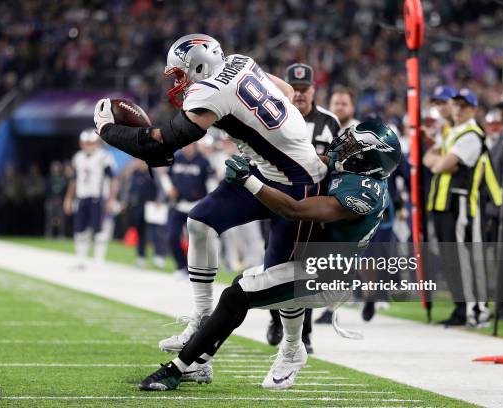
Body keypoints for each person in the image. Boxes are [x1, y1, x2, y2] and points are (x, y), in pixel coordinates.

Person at [94, 34, 328, 382]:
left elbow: (164, 144)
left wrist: (109, 131)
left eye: (180, 74)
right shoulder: (241, 60)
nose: (178, 82)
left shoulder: (210, 90)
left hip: (299, 183)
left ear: (200, 65)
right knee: (200, 221)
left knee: (279, 276)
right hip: (265, 170)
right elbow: (287, 92)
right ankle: (201, 321)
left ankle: (293, 348)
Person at [137, 118, 401, 391]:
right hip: (313, 262)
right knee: (250, 286)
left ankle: (177, 368)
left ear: (368, 158)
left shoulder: (364, 192)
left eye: (351, 146)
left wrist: (248, 181)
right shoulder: (354, 173)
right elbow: (304, 158)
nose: (341, 146)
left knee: (237, 295)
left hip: (327, 276)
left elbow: (295, 210)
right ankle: (211, 360)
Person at [266, 63, 340, 352]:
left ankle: (304, 333)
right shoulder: (272, 114)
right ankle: (275, 318)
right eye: (293, 89)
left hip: (313, 205)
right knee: (274, 264)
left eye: (303, 89)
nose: (298, 94)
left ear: (313, 90)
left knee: (307, 270)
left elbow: (338, 160)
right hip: (279, 200)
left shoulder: (329, 121)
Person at [423, 88, 502, 327]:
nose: (458, 109)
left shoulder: (471, 133)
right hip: (443, 201)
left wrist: (440, 163)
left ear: (473, 109)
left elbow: (440, 164)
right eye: (456, 104)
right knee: (451, 259)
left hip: (460, 201)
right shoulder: (454, 132)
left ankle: (474, 310)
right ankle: (461, 310)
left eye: (464, 105)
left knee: (463, 258)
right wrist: (440, 163)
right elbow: (430, 160)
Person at [315, 86, 359, 324]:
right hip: (326, 195)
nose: (339, 108)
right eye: (335, 103)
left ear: (352, 108)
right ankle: (332, 303)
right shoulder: (324, 127)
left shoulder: (360, 132)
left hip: (349, 197)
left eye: (343, 104)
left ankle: (341, 302)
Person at [63, 128, 118, 268]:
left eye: (90, 143)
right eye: (85, 143)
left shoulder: (104, 157)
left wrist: (111, 199)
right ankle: (80, 258)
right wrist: (68, 198)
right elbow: (74, 180)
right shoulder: (78, 157)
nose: (88, 146)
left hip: (98, 197)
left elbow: (113, 179)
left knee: (99, 231)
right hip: (82, 197)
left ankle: (99, 259)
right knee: (80, 230)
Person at [162, 143, 215, 278]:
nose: (188, 147)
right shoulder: (175, 158)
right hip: (178, 204)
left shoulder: (203, 161)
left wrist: (210, 203)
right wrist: (169, 189)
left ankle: (195, 268)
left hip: (196, 205)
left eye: (191, 144)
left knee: (196, 240)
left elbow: (210, 182)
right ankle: (180, 266)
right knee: (172, 236)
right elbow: (165, 175)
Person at [125, 159, 166, 268]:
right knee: (140, 232)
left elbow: (161, 189)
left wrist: (159, 200)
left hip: (151, 206)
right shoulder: (134, 173)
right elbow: (130, 188)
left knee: (155, 232)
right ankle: (141, 256)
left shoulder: (153, 172)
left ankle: (158, 256)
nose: (139, 163)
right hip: (138, 206)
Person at [44, 161, 68, 238]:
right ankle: (49, 234)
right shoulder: (49, 179)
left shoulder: (63, 179)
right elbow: (46, 191)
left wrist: (61, 199)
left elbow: (65, 191)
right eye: (54, 167)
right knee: (49, 219)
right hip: (51, 202)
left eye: (57, 167)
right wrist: (51, 199)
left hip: (60, 202)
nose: (56, 169)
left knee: (62, 219)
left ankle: (61, 234)